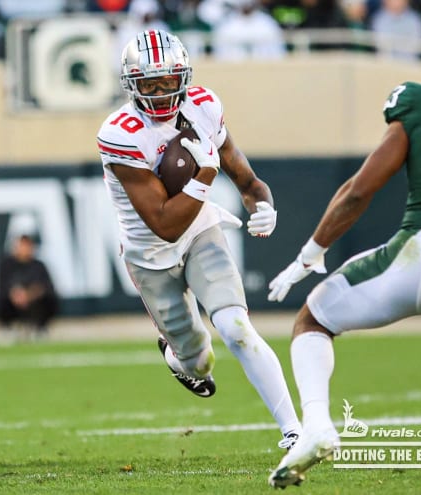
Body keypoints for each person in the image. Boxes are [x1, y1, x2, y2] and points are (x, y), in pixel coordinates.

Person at [267, 14, 421, 488]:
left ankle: (317, 426)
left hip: (419, 255)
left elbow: (360, 191)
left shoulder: (420, 100)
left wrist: (310, 253)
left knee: (313, 320)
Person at [96, 29, 301, 450]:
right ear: (130, 84)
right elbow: (163, 223)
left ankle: (294, 431)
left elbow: (246, 178)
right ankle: (178, 358)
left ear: (182, 78)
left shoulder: (204, 106)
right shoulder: (120, 132)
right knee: (200, 360)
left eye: (167, 82)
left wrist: (264, 204)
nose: (158, 93)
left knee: (236, 325)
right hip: (150, 253)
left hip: (201, 231)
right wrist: (204, 176)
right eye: (148, 84)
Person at [0, 233, 59, 338]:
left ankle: (39, 328)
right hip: (12, 303)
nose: (24, 249)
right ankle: (8, 328)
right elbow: (3, 286)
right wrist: (15, 294)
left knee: (48, 299)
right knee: (2, 300)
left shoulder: (39, 266)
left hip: (34, 303)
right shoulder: (7, 265)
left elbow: (46, 286)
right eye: (22, 246)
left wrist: (29, 295)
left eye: (27, 246)